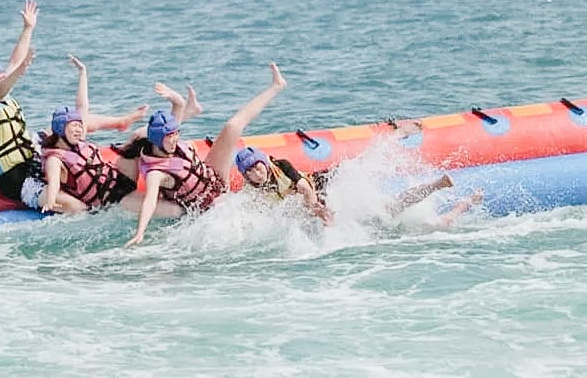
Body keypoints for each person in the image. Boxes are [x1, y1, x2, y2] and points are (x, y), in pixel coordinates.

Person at [0, 1, 146, 215]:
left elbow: (15, 60)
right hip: (13, 178)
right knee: (76, 207)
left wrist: (28, 28)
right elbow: (0, 89)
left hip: (28, 153)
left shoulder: (0, 90)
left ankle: (118, 122)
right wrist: (20, 71)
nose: (2, 79)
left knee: (69, 125)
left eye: (1, 77)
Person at [124, 62, 288, 247]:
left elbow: (177, 108)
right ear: (157, 140)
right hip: (206, 206)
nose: (175, 139)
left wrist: (174, 98)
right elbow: (150, 202)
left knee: (232, 126)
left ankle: (277, 86)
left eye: (176, 134)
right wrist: (140, 232)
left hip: (214, 177)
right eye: (170, 137)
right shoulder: (156, 172)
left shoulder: (169, 142)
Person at [40, 55, 182, 216]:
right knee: (174, 211)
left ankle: (179, 111)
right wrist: (51, 201)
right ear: (60, 130)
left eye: (80, 125)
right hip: (112, 199)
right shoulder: (55, 159)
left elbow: (82, 105)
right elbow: (53, 184)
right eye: (74, 126)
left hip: (120, 175)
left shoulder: (77, 140)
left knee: (140, 136)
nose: (80, 129)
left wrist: (83, 72)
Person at [235, 146, 481, 226]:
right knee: (387, 213)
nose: (257, 174)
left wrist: (318, 210)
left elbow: (305, 189)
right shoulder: (254, 189)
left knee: (389, 209)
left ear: (264, 162)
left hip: (330, 187)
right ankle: (460, 202)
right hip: (319, 207)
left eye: (257, 167)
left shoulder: (282, 166)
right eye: (250, 173)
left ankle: (438, 184)